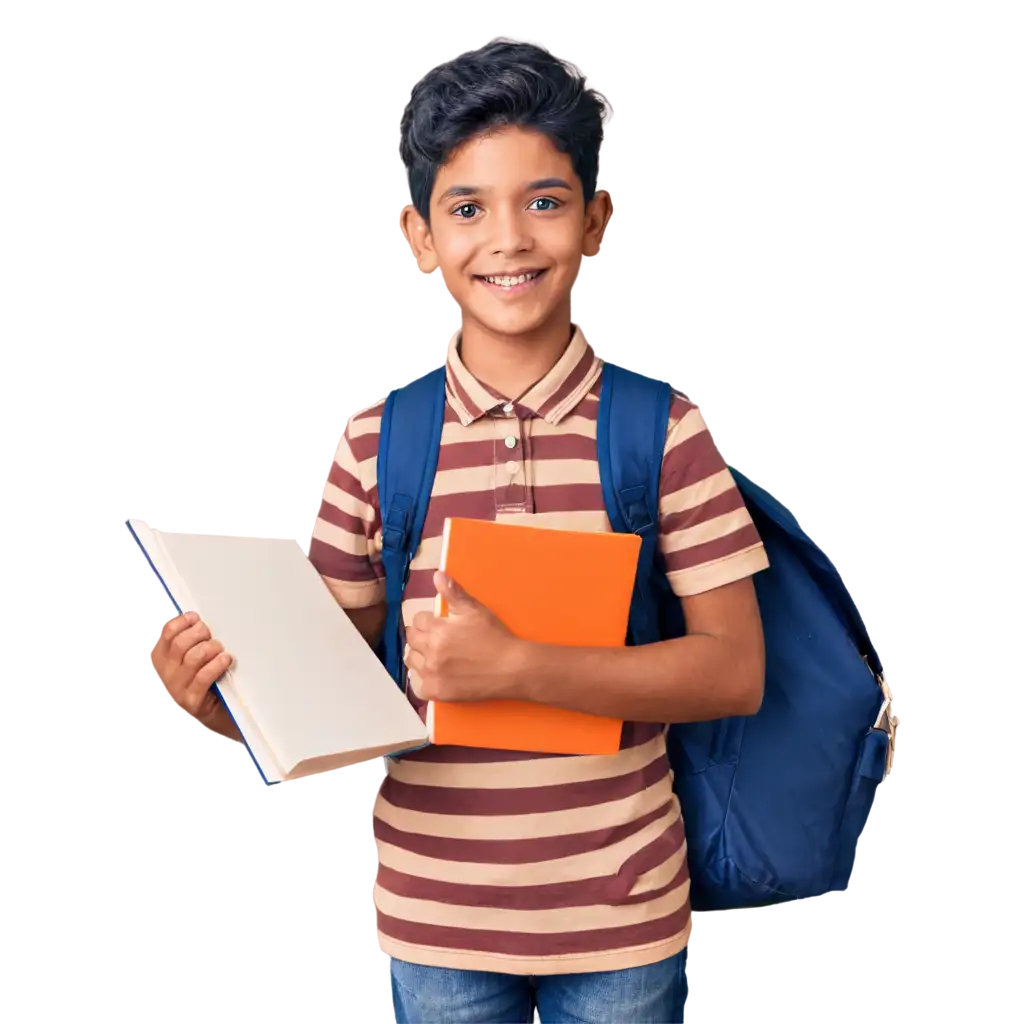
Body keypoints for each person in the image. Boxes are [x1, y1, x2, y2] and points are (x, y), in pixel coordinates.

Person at [144, 40, 769, 1024]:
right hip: (434, 923)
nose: (507, 238)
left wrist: (520, 667)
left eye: (545, 200)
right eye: (467, 207)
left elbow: (734, 670)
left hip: (623, 916)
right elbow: (329, 693)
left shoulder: (660, 432)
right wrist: (222, 702)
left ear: (594, 218)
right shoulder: (377, 443)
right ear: (419, 235)